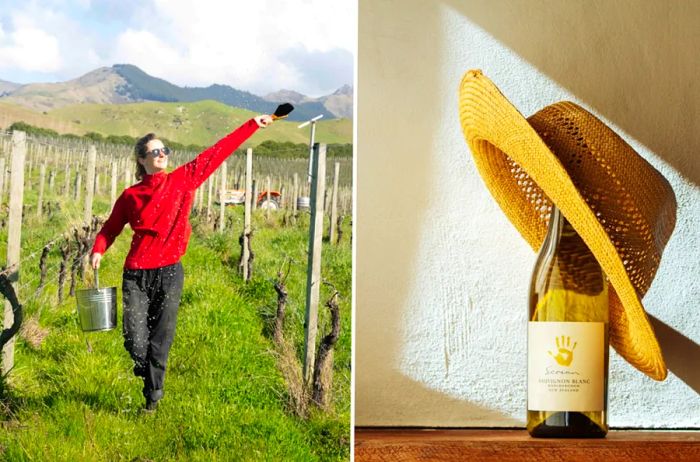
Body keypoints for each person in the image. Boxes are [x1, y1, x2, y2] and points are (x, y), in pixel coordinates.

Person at [90, 114, 274, 412]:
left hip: (169, 271)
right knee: (135, 340)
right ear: (142, 158)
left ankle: (152, 397)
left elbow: (217, 152)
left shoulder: (182, 180)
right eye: (156, 151)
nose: (162, 155)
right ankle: (144, 367)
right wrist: (99, 249)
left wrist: (252, 124)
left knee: (161, 337)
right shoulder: (131, 196)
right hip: (136, 273)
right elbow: (111, 227)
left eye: (165, 151)